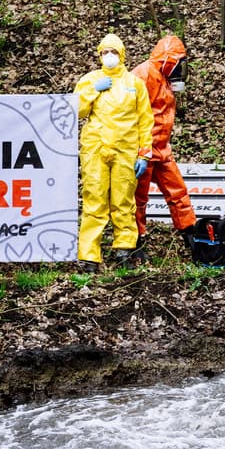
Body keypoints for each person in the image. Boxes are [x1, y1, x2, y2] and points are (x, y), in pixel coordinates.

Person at [74, 34, 154, 272]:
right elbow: (74, 110)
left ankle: (124, 249)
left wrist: (144, 154)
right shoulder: (89, 80)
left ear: (122, 54)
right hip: (95, 149)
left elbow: (146, 121)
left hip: (126, 149)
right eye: (105, 52)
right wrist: (92, 92)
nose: (109, 56)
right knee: (94, 201)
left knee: (123, 202)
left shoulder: (134, 83)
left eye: (114, 52)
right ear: (99, 55)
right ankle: (89, 256)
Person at [131, 35, 197, 258]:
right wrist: (140, 149)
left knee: (178, 191)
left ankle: (191, 235)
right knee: (138, 198)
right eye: (178, 62)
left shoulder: (166, 77)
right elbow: (130, 114)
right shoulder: (143, 74)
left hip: (162, 148)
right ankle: (135, 241)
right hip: (144, 148)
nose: (180, 69)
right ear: (169, 59)